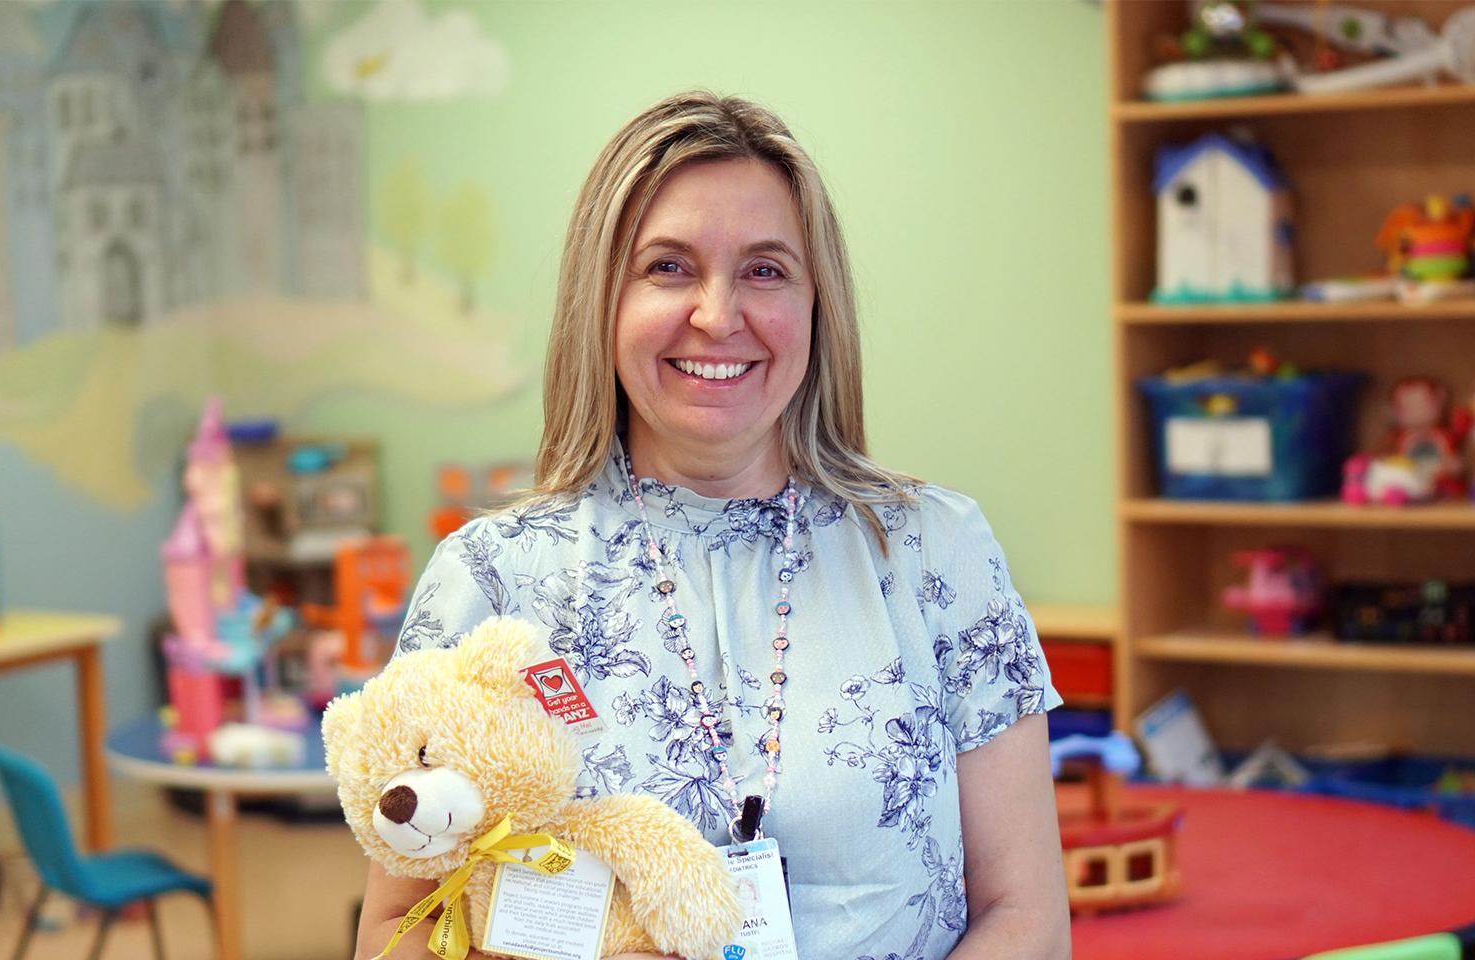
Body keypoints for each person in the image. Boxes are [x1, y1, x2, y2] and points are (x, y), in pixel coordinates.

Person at [355, 90, 1071, 960]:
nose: (718, 314)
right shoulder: (493, 580)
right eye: (668, 267)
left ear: (817, 304)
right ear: (601, 300)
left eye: (766, 270)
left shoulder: (934, 552)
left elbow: (1025, 915)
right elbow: (402, 924)